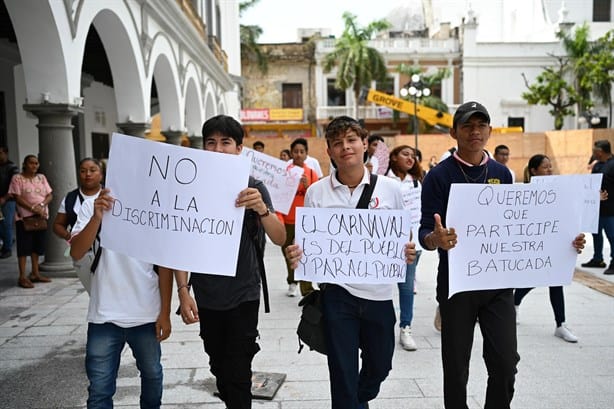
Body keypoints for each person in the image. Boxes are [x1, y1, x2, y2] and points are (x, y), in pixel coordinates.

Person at [419, 101, 585, 409]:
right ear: (454, 131)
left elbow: (523, 225)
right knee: (456, 367)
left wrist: (565, 241)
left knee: (506, 361)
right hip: (457, 286)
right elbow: (425, 232)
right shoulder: (437, 177)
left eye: (481, 125)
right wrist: (435, 240)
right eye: (467, 125)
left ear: (490, 131)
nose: (475, 131)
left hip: (498, 286)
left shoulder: (502, 174)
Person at [285, 115, 417, 409]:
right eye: (337, 143)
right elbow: (307, 244)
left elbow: (401, 234)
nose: (345, 147)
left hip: (379, 295)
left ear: (364, 145)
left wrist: (406, 251)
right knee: (342, 372)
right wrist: (297, 254)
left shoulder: (390, 190)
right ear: (329, 151)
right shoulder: (317, 192)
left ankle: (358, 399)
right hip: (337, 294)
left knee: (380, 365)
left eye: (351, 140)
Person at [175, 115, 286, 409]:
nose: (218, 148)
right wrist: (183, 291)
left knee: (238, 371)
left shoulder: (253, 186)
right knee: (219, 367)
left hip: (244, 293)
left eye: (226, 142)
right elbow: (180, 245)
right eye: (211, 142)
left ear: (239, 148)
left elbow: (279, 237)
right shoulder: (189, 187)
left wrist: (261, 208)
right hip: (208, 295)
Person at [70, 188, 173, 408]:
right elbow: (76, 252)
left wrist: (164, 313)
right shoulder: (92, 205)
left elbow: (165, 266)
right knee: (99, 389)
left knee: (153, 376)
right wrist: (97, 218)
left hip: (146, 314)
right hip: (104, 314)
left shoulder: (156, 207)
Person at [515, 154, 578, 342]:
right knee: (533, 278)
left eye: (551, 167)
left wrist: (592, 199)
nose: (550, 170)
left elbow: (573, 206)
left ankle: (560, 324)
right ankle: (514, 302)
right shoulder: (524, 192)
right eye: (545, 167)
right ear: (534, 171)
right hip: (533, 244)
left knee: (555, 281)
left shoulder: (559, 190)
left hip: (554, 243)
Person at [386, 145, 423, 351]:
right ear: (393, 157)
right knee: (381, 287)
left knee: (407, 288)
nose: (411, 158)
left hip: (412, 244)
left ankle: (405, 327)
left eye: (413, 155)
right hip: (385, 244)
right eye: (405, 154)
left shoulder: (417, 182)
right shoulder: (382, 180)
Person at [9, 155, 53, 289]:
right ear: (25, 164)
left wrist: (41, 205)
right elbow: (17, 197)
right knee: (23, 247)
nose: (34, 166)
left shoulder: (41, 177)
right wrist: (33, 208)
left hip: (41, 216)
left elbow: (49, 195)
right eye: (31, 163)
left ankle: (35, 273)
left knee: (37, 246)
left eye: (36, 163)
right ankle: (22, 276)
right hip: (24, 217)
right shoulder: (17, 178)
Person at [281, 138, 317, 297]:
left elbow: (317, 197)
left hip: (305, 221)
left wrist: (308, 185)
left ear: (306, 154)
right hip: (287, 219)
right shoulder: (284, 171)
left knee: (304, 253)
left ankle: (307, 289)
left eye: (302, 151)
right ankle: (292, 281)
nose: (298, 154)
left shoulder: (310, 173)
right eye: (296, 151)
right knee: (288, 252)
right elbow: (279, 196)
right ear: (291, 153)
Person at [581, 140, 614, 272]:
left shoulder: (612, 165)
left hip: (610, 209)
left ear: (600, 151)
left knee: (612, 235)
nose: (593, 154)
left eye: (595, 151)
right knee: (596, 233)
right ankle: (597, 258)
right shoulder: (597, 165)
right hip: (596, 208)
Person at [53, 158, 104, 242]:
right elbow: (58, 225)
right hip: (81, 251)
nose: (88, 174)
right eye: (83, 171)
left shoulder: (110, 195)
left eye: (92, 170)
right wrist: (69, 236)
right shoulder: (71, 198)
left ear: (101, 174)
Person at [0, 146, 19, 258]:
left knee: (6, 224)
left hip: (8, 200)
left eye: (0, 152)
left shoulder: (12, 167)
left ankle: (7, 249)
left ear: (5, 153)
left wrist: (5, 198)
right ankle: (8, 240)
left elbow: (15, 186)